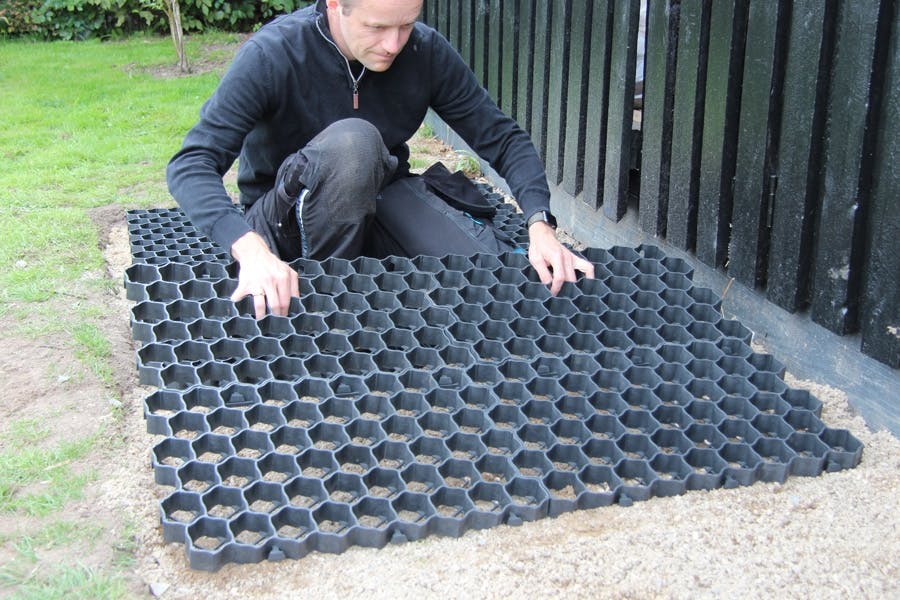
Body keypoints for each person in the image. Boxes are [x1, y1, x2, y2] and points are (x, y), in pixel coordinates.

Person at [167, 0, 594, 319]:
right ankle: (328, 294)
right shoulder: (272, 55)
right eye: (377, 27)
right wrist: (250, 249)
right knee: (356, 143)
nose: (393, 45)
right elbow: (191, 164)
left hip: (379, 199)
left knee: (497, 276)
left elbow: (503, 139)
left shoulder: (424, 51)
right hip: (284, 221)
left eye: (406, 24)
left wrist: (540, 225)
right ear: (336, 5)